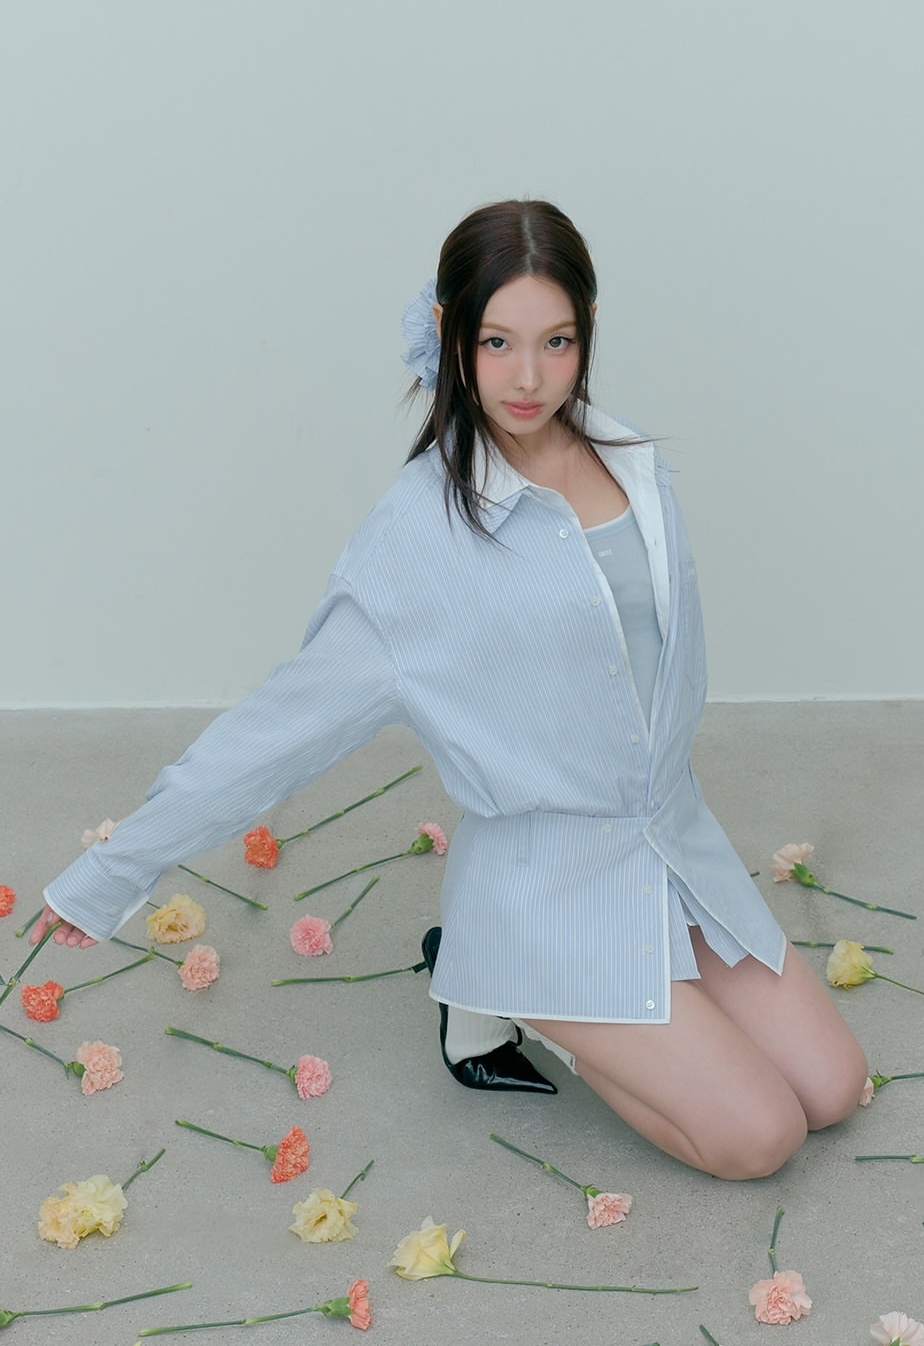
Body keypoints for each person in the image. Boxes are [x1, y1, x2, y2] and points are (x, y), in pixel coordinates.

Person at [33, 199, 867, 1179]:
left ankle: (564, 998)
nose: (528, 378)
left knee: (831, 1089)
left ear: (588, 331)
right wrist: (113, 871)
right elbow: (276, 731)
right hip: (546, 890)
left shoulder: (634, 464)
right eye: (497, 342)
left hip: (672, 844)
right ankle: (507, 989)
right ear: (451, 335)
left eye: (556, 342)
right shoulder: (417, 537)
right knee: (759, 1136)